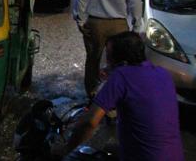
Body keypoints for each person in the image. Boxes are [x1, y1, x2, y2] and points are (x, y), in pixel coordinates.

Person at [55, 32, 184, 161]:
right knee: (110, 148)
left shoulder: (121, 77)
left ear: (120, 61)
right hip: (173, 156)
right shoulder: (163, 74)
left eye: (109, 57)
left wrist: (66, 149)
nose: (107, 62)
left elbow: (89, 123)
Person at [73, 0, 142, 97]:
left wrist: (80, 20)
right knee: (119, 64)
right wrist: (136, 27)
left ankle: (92, 97)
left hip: (95, 25)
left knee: (92, 61)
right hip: (120, 26)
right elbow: (135, 2)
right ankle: (115, 98)